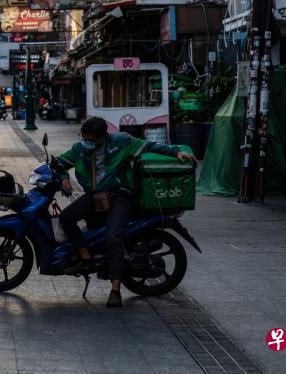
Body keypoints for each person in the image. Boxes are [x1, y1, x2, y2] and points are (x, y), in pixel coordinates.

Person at [55, 117, 195, 308]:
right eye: (83, 137)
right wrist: (64, 179)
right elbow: (59, 163)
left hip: (120, 195)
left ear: (102, 138)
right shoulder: (79, 149)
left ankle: (115, 290)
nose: (85, 141)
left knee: (113, 237)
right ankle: (85, 257)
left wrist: (176, 152)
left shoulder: (121, 142)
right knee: (66, 217)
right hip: (96, 195)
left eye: (90, 139)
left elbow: (150, 146)